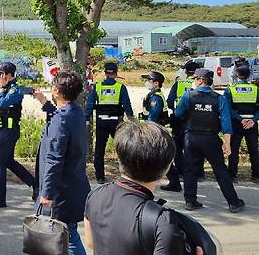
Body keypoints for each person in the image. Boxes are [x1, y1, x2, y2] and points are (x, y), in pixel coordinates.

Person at [84, 121, 201, 254]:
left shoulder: (95, 195)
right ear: (167, 166)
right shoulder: (162, 221)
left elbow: (91, 242)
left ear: (120, 157)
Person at [33, 71, 90, 255]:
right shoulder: (75, 112)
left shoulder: (62, 118)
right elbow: (60, 117)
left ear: (57, 91)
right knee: (67, 233)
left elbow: (54, 158)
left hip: (61, 190)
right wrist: (44, 103)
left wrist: (47, 193)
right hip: (72, 183)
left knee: (67, 236)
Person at [175, 68, 245, 212]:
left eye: (195, 78)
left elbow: (178, 113)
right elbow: (226, 123)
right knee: (220, 170)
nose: (194, 81)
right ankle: (233, 203)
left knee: (189, 169)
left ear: (200, 80)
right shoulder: (219, 98)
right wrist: (227, 142)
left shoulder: (188, 96)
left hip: (191, 138)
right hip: (211, 139)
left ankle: (190, 201)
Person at [0, 62, 35, 209]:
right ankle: (35, 184)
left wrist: (0, 89)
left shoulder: (15, 90)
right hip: (4, 129)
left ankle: (0, 199)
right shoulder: (7, 88)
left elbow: (1, 104)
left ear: (8, 75)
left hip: (10, 131)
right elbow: (2, 112)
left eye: (1, 74)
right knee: (8, 162)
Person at [85, 62, 134, 184]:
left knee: (99, 150)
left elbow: (90, 105)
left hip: (102, 122)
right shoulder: (120, 87)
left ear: (105, 73)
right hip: (116, 122)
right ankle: (127, 174)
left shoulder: (97, 87)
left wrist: (86, 119)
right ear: (116, 74)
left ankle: (100, 177)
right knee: (122, 148)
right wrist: (132, 119)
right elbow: (127, 105)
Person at [140, 71, 182, 192]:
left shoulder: (156, 98)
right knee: (161, 158)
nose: (147, 83)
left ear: (156, 83)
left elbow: (153, 117)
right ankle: (174, 183)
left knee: (159, 158)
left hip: (155, 131)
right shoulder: (153, 95)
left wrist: (146, 131)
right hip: (155, 131)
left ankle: (172, 183)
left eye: (149, 81)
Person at [224, 65, 259, 183]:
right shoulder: (256, 89)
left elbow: (228, 109)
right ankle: (256, 176)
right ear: (249, 75)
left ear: (237, 75)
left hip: (236, 124)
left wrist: (240, 119)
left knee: (234, 150)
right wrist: (253, 120)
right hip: (252, 124)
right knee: (254, 150)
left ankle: (232, 175)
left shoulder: (230, 89)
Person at [167, 60, 202, 178]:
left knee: (178, 147)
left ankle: (181, 171)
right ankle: (198, 172)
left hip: (179, 120)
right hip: (197, 120)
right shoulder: (201, 85)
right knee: (197, 147)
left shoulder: (178, 84)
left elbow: (170, 101)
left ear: (185, 72)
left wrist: (174, 113)